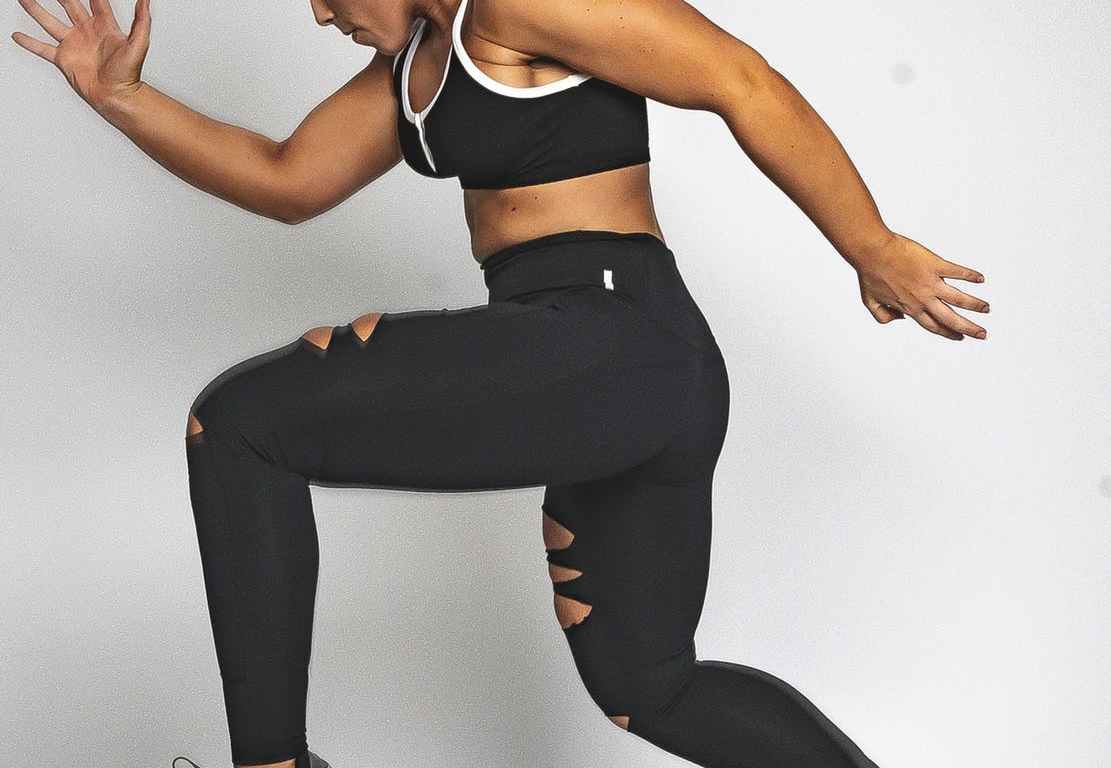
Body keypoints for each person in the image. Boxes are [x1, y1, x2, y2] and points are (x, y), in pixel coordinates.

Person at [13, 0, 990, 766]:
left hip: (615, 338)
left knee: (239, 426)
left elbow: (738, 79)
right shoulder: (412, 67)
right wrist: (122, 99)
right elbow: (286, 180)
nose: (318, 13)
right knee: (649, 687)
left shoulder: (518, 5)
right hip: (614, 371)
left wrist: (869, 243)